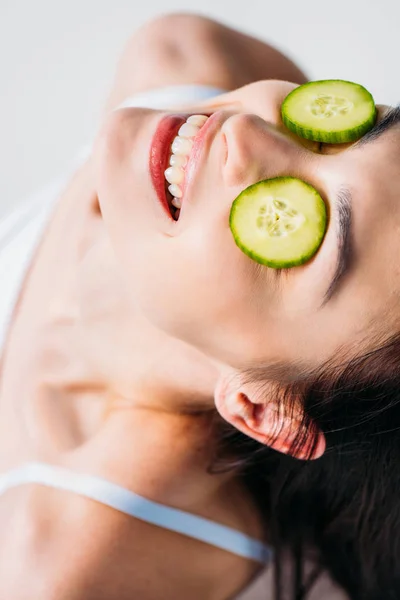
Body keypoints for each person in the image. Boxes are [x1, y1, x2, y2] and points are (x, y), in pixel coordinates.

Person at [0, 11, 398, 600]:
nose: (246, 134)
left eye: (302, 231)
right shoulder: (186, 53)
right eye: (343, 132)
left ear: (262, 412)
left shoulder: (67, 561)